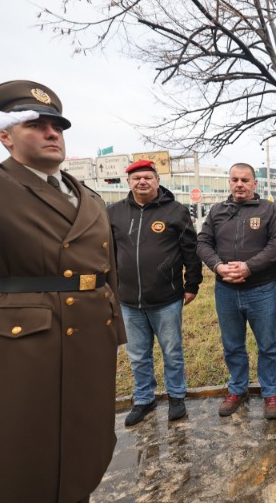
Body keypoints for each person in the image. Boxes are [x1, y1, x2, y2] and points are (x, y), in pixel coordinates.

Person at [0, 80, 126, 502]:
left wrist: (114, 330)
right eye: (33, 123)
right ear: (4, 134)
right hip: (23, 342)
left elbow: (104, 268)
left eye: (56, 125)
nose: (51, 132)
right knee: (20, 454)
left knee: (83, 445)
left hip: (89, 336)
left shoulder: (87, 195)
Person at [109, 159, 203, 426]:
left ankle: (176, 396)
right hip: (128, 301)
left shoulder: (175, 211)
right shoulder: (114, 213)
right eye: (136, 178)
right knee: (137, 355)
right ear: (128, 182)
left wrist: (192, 284)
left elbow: (190, 251)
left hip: (167, 299)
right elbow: (107, 254)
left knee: (172, 352)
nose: (142, 181)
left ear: (157, 180)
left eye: (147, 177)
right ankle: (143, 399)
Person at [197, 163, 276, 419]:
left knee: (267, 345)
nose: (239, 184)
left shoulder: (268, 210)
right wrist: (218, 266)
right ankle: (238, 389)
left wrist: (249, 267)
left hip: (261, 290)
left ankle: (271, 392)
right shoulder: (217, 211)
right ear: (229, 181)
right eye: (235, 179)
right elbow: (203, 242)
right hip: (226, 291)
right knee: (232, 344)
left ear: (254, 184)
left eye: (245, 180)